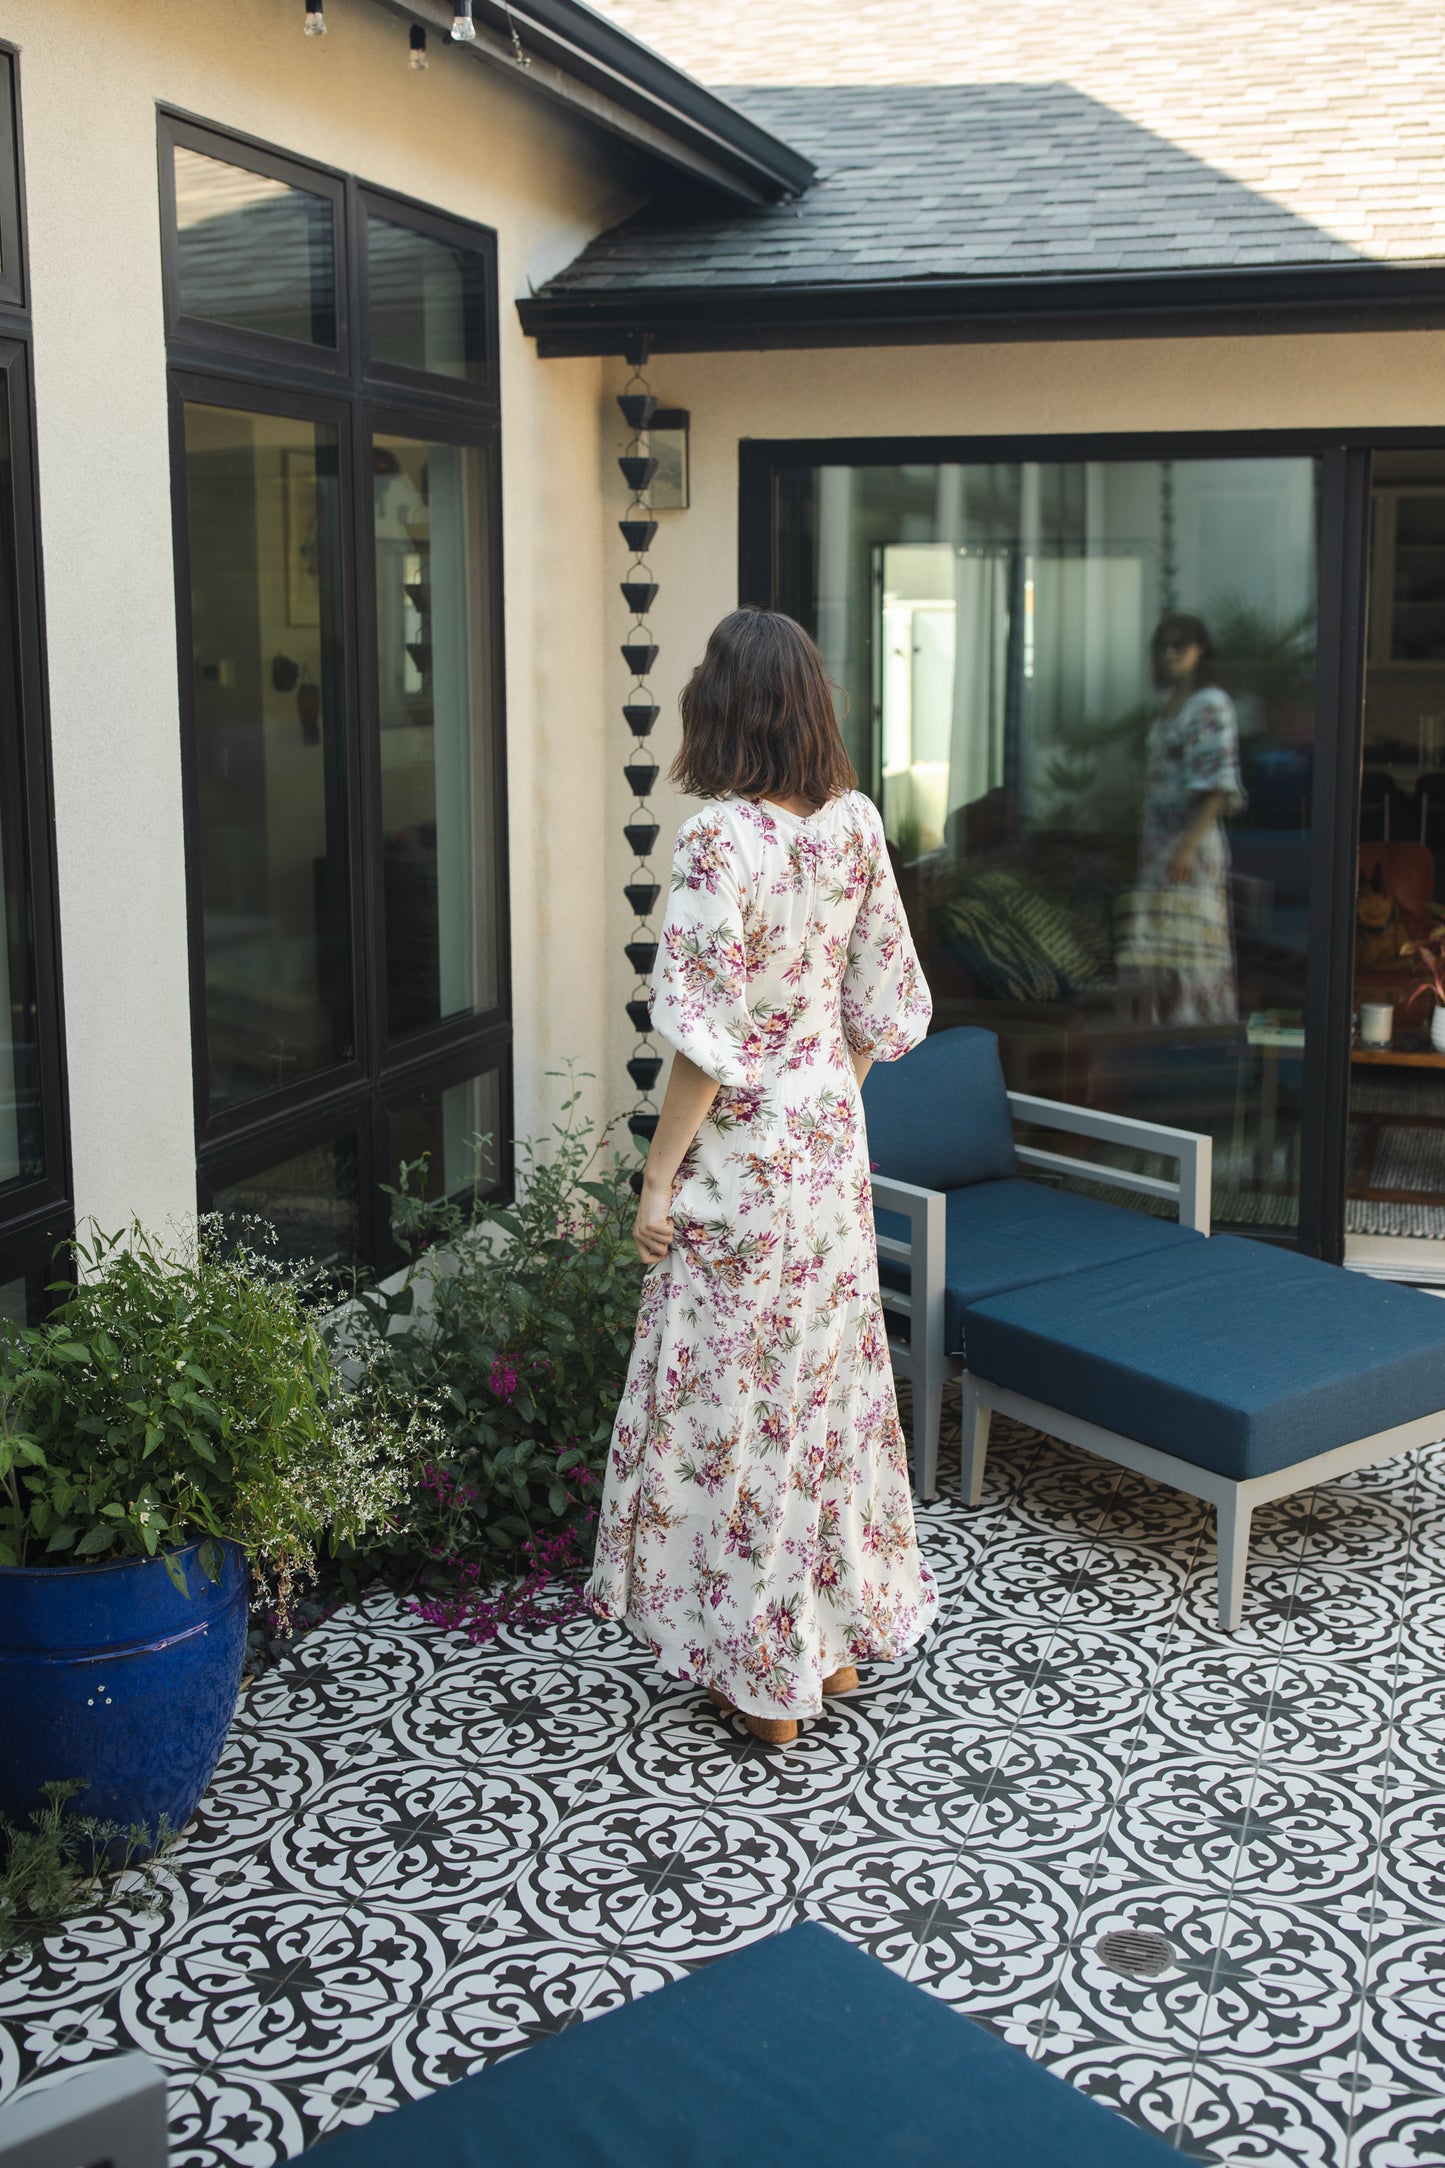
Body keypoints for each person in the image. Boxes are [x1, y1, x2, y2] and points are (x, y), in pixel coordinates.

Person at [588, 607, 938, 1746]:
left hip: (742, 1167)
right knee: (824, 1405)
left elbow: (698, 1037)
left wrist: (654, 1181)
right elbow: (879, 1008)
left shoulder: (715, 842)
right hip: (829, 1155)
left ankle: (759, 1677)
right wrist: (823, 1094)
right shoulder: (855, 824)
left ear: (721, 703)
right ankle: (825, 1647)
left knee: (736, 1412)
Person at [1116, 611, 1247, 1027]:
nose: (1170, 653)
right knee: (1159, 945)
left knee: (1193, 944)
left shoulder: (1211, 704)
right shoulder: (1171, 704)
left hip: (1189, 845)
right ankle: (1158, 1035)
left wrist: (1187, 847)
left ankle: (1200, 1035)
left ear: (1200, 649)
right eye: (1164, 645)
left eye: (1180, 644)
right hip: (1158, 845)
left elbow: (1219, 786)